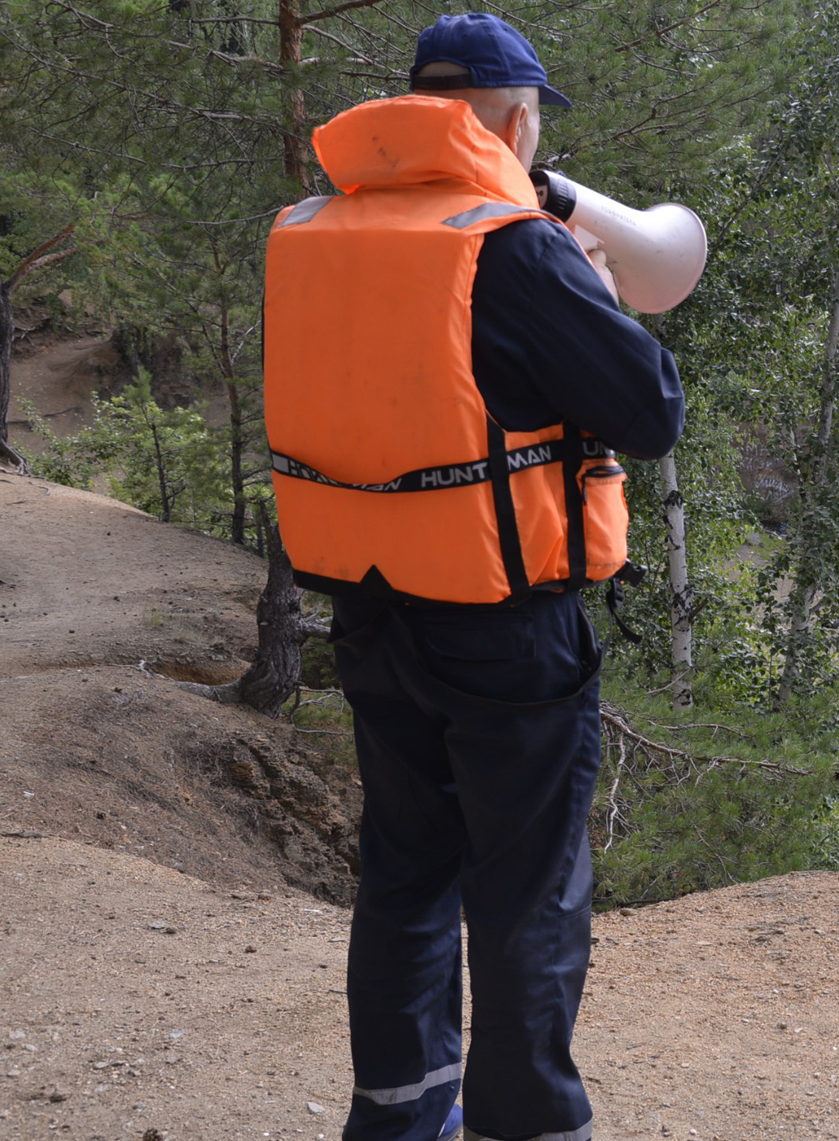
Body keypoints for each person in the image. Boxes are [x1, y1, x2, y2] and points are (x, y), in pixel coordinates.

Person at [262, 14, 685, 1141]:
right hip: (507, 628)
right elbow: (650, 412)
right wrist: (590, 290)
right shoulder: (510, 242)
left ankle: (398, 1117)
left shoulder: (313, 227)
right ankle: (528, 1127)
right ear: (513, 115)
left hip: (370, 607)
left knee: (407, 871)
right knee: (528, 893)